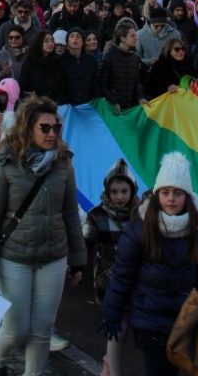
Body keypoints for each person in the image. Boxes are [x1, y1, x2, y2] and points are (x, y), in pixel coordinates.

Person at [0, 95, 86, 376]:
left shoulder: (63, 161)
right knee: (16, 329)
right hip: (15, 255)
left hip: (53, 256)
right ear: (28, 127)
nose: (52, 134)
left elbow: (71, 213)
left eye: (56, 128)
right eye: (45, 128)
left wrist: (78, 258)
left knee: (42, 330)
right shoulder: (6, 159)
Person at [102, 151, 198, 376]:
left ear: (187, 196)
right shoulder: (140, 229)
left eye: (177, 193)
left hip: (185, 321)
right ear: (157, 193)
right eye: (165, 192)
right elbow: (122, 276)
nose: (171, 198)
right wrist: (111, 314)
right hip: (149, 321)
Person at [83, 159, 138, 376]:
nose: (119, 196)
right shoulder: (97, 215)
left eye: (124, 191)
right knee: (117, 325)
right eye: (114, 191)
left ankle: (110, 361)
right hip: (107, 280)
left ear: (132, 190)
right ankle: (112, 367)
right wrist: (76, 266)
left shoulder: (140, 216)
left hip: (133, 278)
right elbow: (85, 241)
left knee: (126, 327)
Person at [99, 18, 146, 112]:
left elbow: (136, 84)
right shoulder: (109, 57)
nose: (136, 38)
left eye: (136, 35)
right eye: (132, 36)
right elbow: (103, 84)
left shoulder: (135, 58)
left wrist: (141, 98)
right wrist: (114, 102)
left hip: (130, 107)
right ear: (122, 38)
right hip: (113, 108)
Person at [19, 30, 67, 102]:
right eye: (46, 41)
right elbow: (23, 87)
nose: (50, 43)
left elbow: (62, 86)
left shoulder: (57, 62)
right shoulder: (29, 63)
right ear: (39, 43)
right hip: (35, 103)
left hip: (55, 104)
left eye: (52, 40)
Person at [58, 27, 99, 105]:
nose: (75, 38)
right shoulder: (60, 61)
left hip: (88, 104)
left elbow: (95, 84)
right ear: (67, 44)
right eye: (72, 36)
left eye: (78, 36)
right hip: (66, 105)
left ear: (83, 42)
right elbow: (59, 87)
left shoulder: (91, 61)